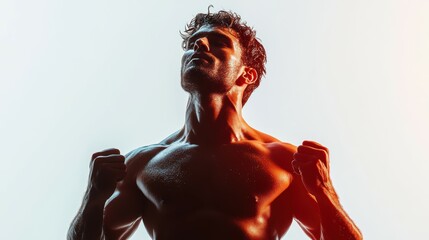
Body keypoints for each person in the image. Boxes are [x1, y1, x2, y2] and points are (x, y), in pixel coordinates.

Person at [68, 10, 362, 240]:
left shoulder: (284, 163)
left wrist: (324, 190)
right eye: (195, 42)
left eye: (219, 42)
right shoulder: (142, 165)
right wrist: (93, 196)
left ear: (246, 75)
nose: (200, 44)